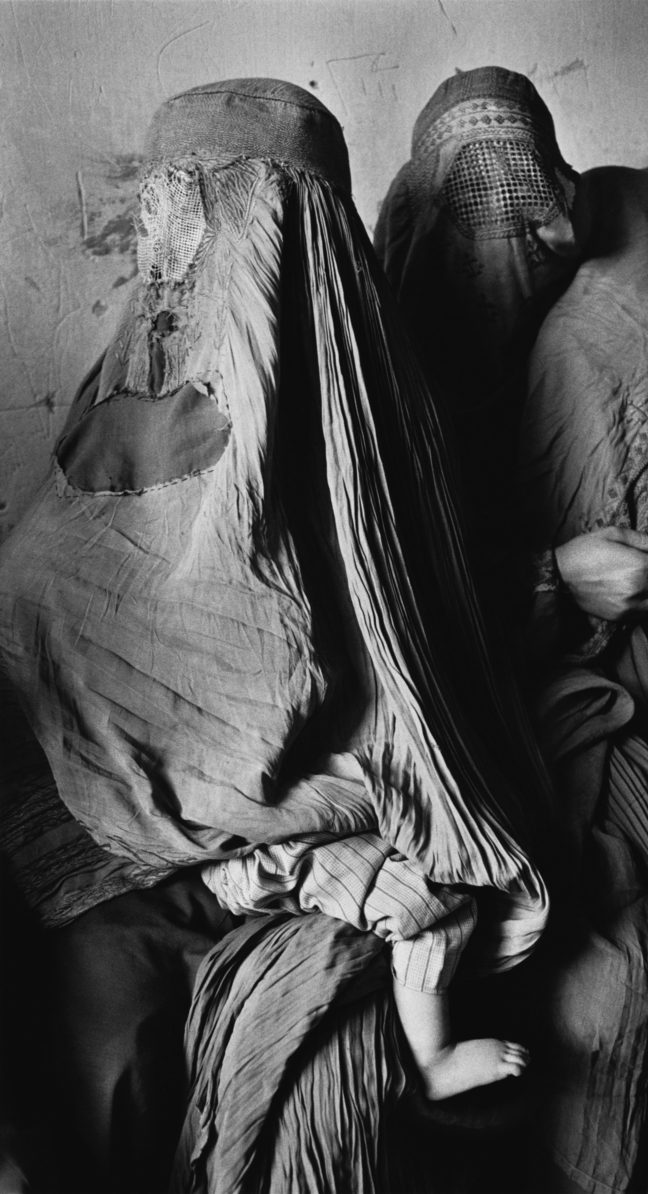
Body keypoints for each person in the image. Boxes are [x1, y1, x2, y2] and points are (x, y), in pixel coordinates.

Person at [0, 78, 551, 1192]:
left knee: (329, 1108)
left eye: (258, 221)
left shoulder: (369, 453)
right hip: (114, 881)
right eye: (184, 207)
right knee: (108, 1091)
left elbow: (423, 702)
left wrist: (317, 862)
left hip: (331, 890)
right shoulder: (104, 434)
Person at [376, 65, 648, 1194]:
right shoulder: (382, 356)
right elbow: (390, 609)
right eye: (473, 219)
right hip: (461, 712)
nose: (511, 244)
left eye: (532, 212)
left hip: (628, 707)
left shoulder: (596, 337)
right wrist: (549, 582)